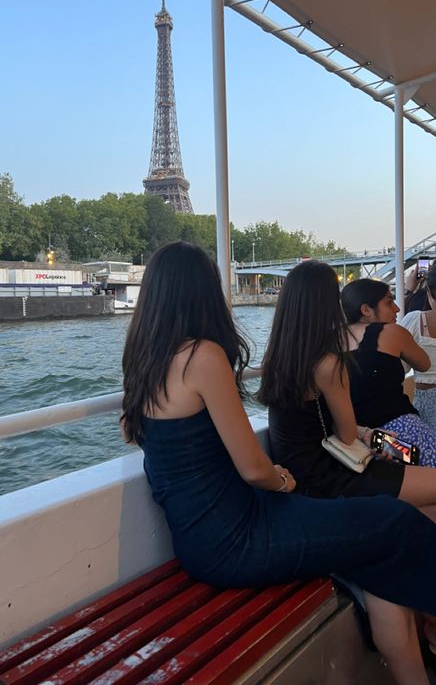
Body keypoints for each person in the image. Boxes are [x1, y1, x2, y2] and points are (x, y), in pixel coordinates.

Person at [122, 242, 436, 684]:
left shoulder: (143, 363)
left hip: (203, 540)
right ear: (203, 292)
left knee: (377, 543)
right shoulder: (203, 357)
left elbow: (140, 437)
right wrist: (284, 483)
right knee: (390, 521)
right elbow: (254, 468)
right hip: (239, 537)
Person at [261, 261, 436, 508]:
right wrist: (374, 439)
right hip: (334, 471)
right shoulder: (329, 363)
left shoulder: (279, 359)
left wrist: (370, 435)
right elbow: (346, 434)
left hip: (311, 468)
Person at [341, 277, 436, 465]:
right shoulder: (392, 332)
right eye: (389, 302)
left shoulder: (331, 340)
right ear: (366, 310)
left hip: (362, 438)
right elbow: (424, 364)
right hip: (399, 432)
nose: (397, 309)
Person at [400, 266, 436, 429]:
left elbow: (401, 368)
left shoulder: (415, 321)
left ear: (429, 292)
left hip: (427, 407)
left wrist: (408, 291)